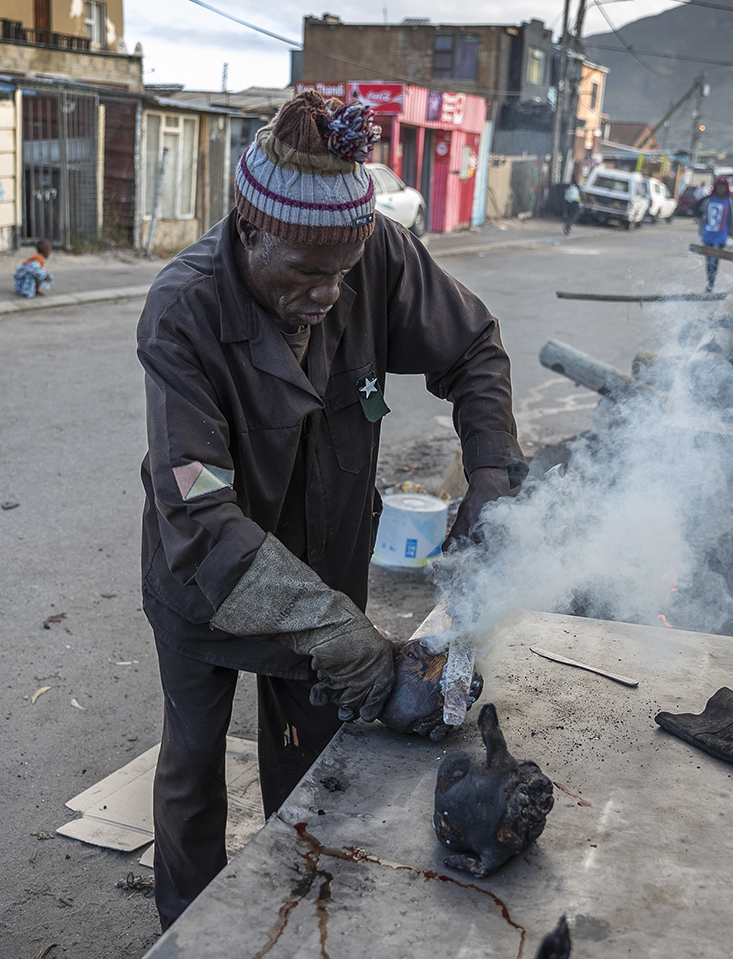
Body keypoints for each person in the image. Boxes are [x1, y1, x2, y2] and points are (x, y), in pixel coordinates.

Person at [137, 91, 523, 927]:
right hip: (209, 584)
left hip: (329, 568)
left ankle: (291, 917)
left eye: (343, 273)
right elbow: (200, 512)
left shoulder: (373, 251)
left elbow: (474, 345)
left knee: (311, 763)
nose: (330, 293)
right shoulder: (184, 312)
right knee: (193, 766)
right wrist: (335, 629)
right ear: (250, 233)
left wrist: (490, 475)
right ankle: (188, 933)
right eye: (308, 274)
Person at [698, 176, 733, 294]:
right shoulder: (709, 200)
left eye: (724, 186)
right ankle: (709, 281)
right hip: (708, 235)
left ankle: (710, 284)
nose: (721, 189)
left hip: (720, 236)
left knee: (714, 260)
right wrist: (701, 232)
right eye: (719, 186)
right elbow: (703, 217)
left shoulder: (729, 202)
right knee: (708, 261)